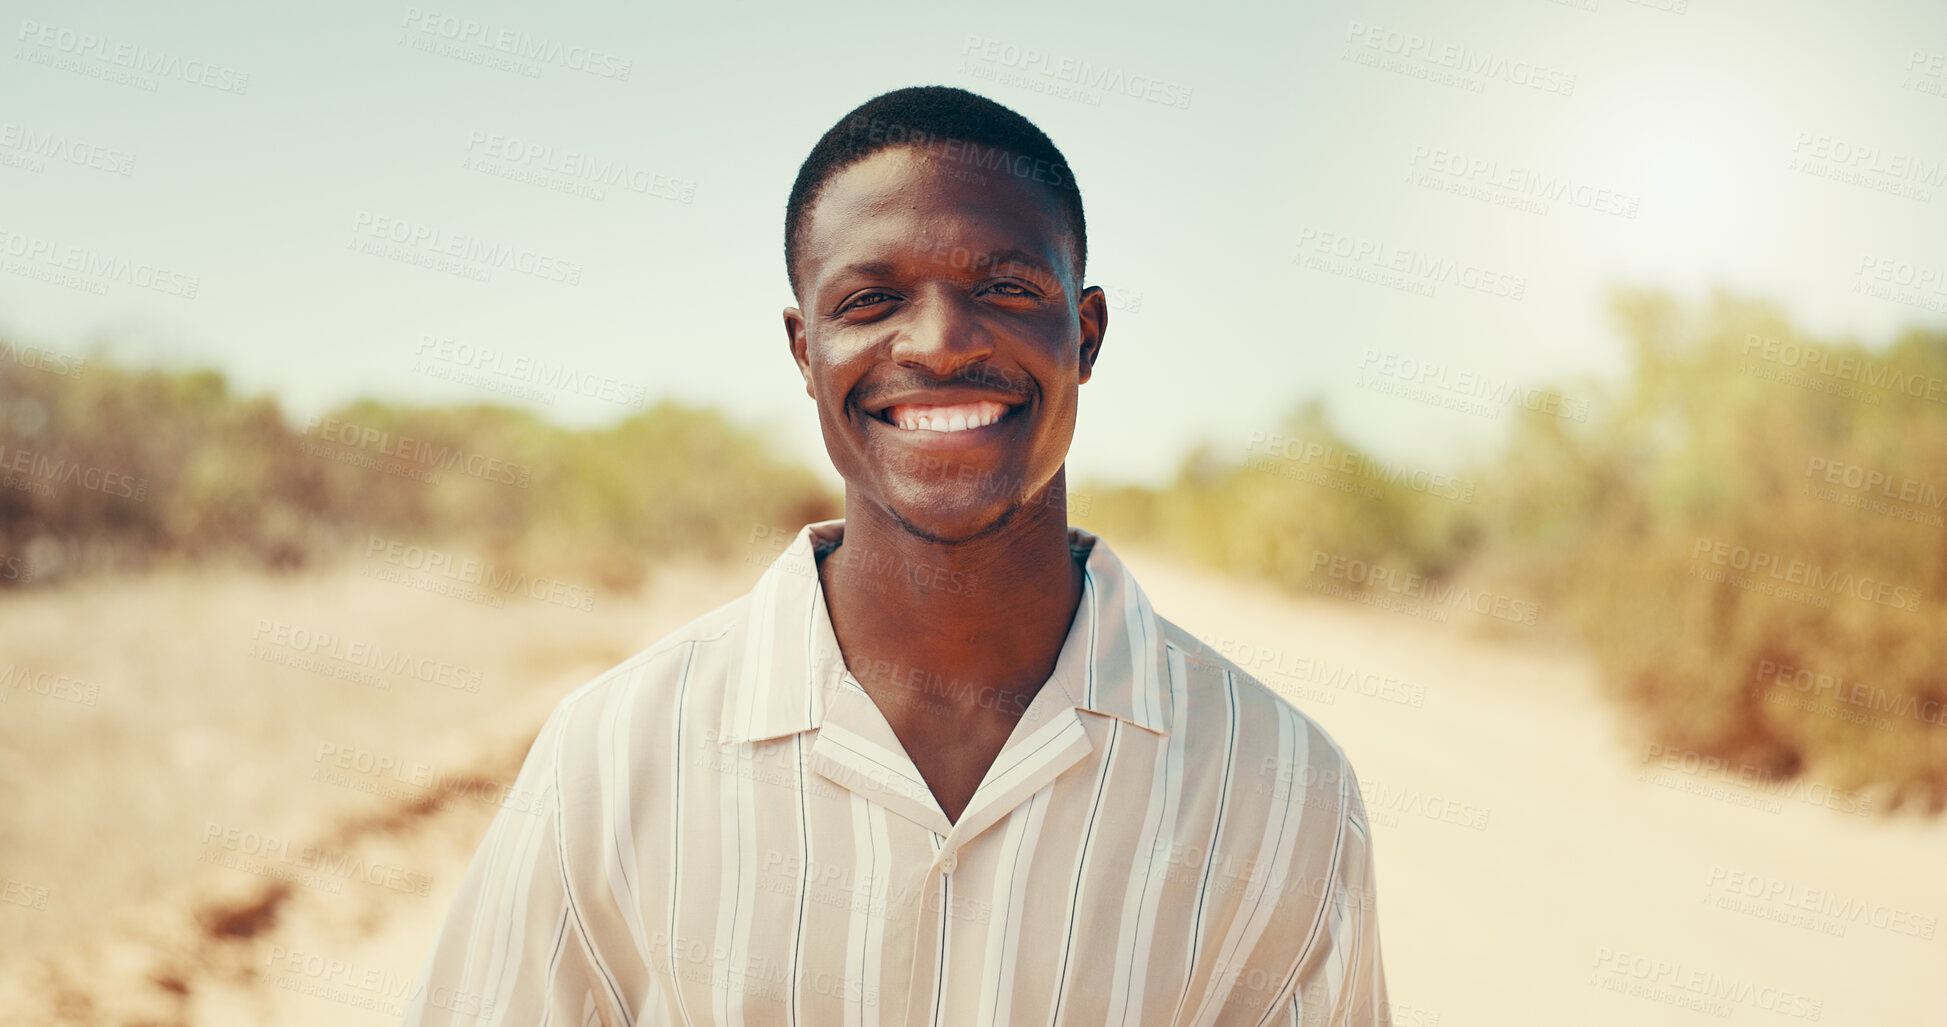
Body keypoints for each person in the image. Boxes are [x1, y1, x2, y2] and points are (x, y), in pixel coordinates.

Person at [401, 84, 1389, 1026]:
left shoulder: (1285, 782)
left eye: (1003, 285)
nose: (942, 341)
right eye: (871, 300)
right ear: (804, 352)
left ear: (1084, 334)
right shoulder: (612, 758)